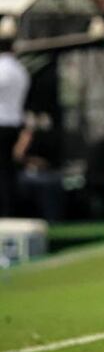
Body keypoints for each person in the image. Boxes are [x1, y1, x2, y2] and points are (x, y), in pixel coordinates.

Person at [0, 16, 29, 217]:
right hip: (13, 124)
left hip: (2, 123)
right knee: (8, 173)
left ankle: (6, 212)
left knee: (3, 174)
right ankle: (9, 210)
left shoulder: (4, 69)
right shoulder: (20, 69)